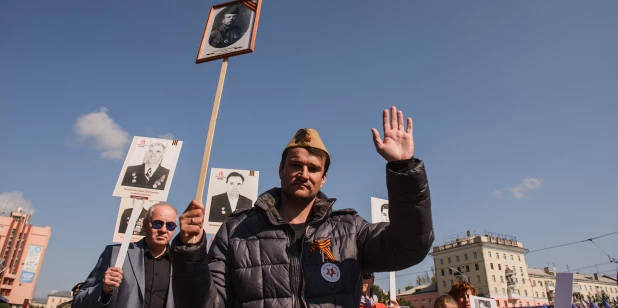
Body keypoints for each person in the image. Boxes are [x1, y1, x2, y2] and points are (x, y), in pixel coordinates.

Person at [171, 106, 434, 308]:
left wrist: (403, 168)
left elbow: (409, 246)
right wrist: (190, 253)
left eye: (313, 168)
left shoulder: (351, 230)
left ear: (324, 178)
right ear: (281, 170)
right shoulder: (236, 231)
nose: (303, 174)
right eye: (296, 165)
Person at [73, 203, 178, 308]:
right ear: (145, 224)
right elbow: (78, 302)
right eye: (157, 223)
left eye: (170, 225)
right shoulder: (115, 253)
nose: (163, 230)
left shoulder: (181, 262)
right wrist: (103, 289)